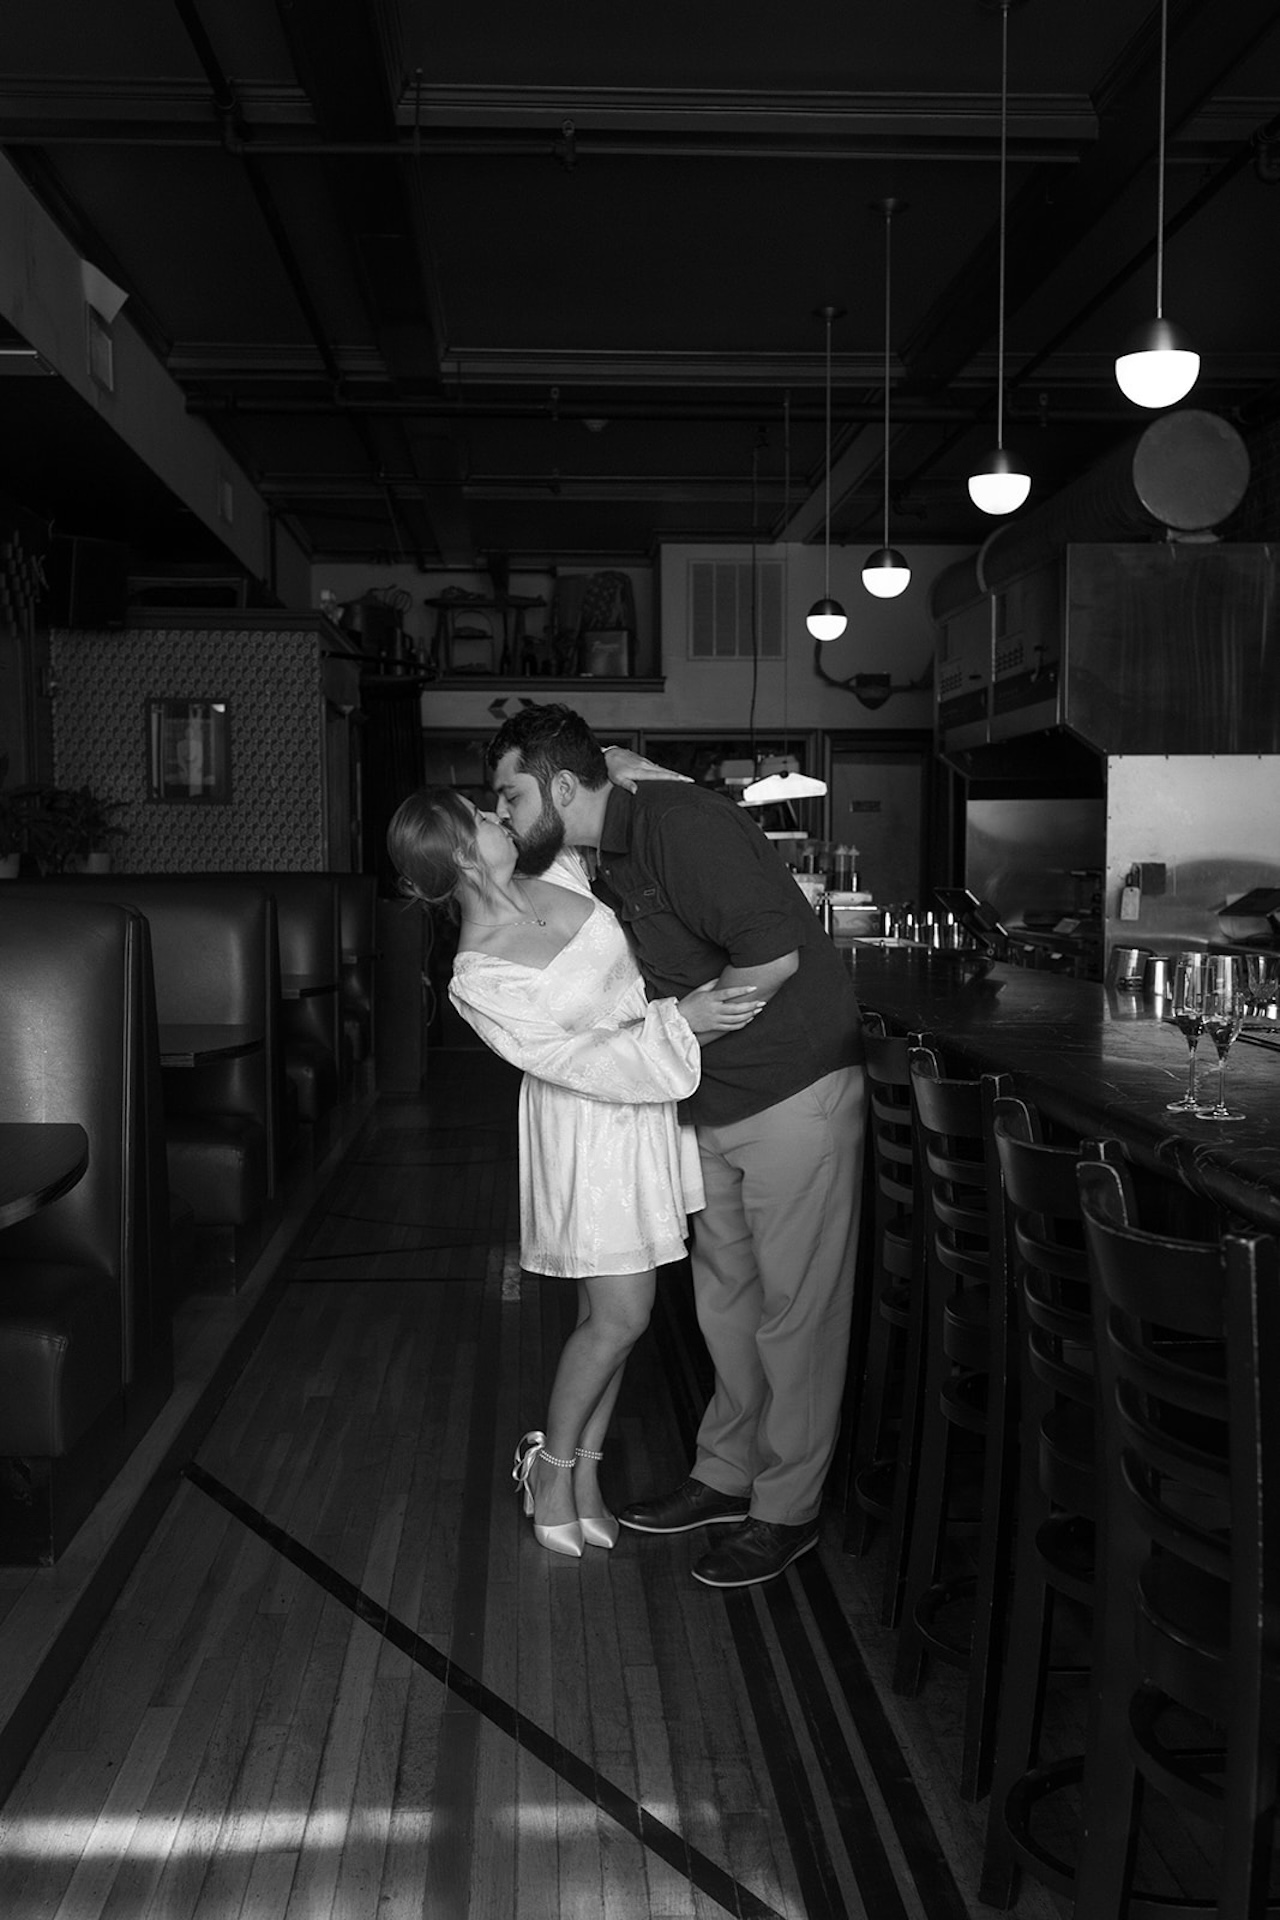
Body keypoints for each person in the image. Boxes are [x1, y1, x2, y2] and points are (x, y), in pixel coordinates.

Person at [486, 704, 866, 1589]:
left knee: (797, 1312)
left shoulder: (681, 827)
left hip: (792, 1087)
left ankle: (787, 1509)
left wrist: (678, 1035)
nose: (502, 813)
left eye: (510, 794)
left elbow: (771, 962)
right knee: (727, 1301)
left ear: (562, 786)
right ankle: (728, 1477)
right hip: (707, 1099)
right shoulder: (597, 850)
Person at [387, 786, 764, 1560]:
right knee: (622, 1315)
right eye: (484, 818)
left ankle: (582, 1478)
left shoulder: (556, 870)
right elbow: (566, 1060)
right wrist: (678, 1022)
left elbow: (609, 786)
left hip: (644, 1117)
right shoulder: (475, 976)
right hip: (585, 1134)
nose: (500, 819)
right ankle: (550, 1471)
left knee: (618, 1321)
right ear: (460, 852)